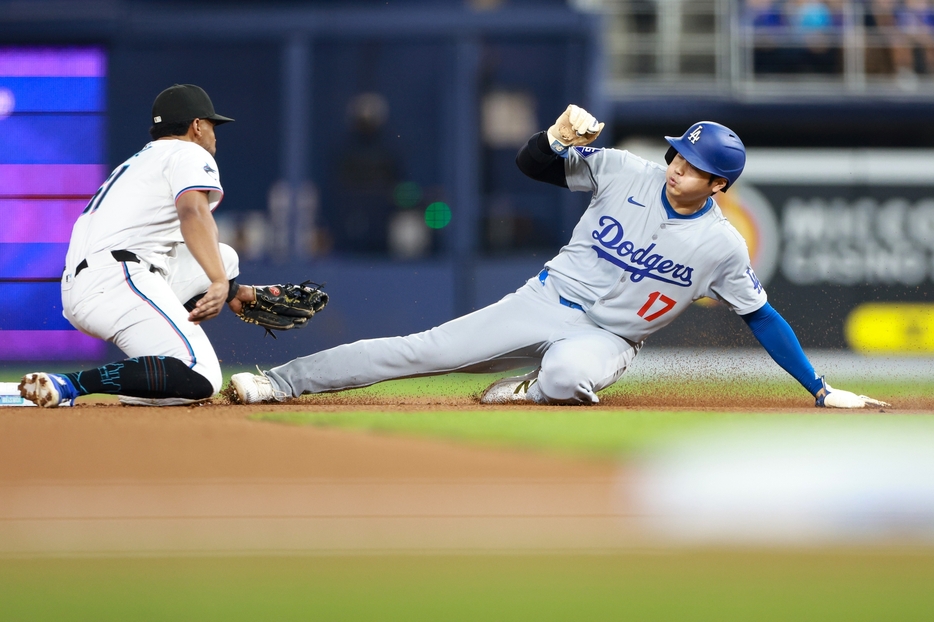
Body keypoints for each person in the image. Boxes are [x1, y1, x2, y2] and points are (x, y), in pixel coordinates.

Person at [230, 104, 888, 409]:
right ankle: (280, 382)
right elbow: (533, 164)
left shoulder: (722, 244)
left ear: (720, 186)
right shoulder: (627, 170)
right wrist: (554, 135)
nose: (679, 168)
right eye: (679, 155)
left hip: (611, 337)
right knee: (419, 351)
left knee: (571, 379)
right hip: (544, 299)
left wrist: (821, 389)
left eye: (696, 168)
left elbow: (763, 319)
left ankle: (529, 390)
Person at [20, 84, 284, 408]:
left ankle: (151, 376)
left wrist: (231, 290)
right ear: (197, 126)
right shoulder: (188, 152)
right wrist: (217, 281)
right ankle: (70, 384)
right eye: (213, 125)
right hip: (118, 277)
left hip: (92, 280)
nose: (215, 134)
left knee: (224, 257)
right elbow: (193, 211)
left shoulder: (141, 161)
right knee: (202, 376)